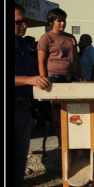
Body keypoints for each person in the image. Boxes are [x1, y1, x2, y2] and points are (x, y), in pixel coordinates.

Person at [14, 3, 51, 187]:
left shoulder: (24, 46)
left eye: (25, 20)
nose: (24, 25)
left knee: (20, 158)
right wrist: (29, 80)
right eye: (19, 21)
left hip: (24, 107)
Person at [37, 8, 82, 146]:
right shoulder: (46, 38)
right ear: (51, 22)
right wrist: (43, 78)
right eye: (59, 21)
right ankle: (61, 141)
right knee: (57, 110)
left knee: (74, 108)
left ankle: (74, 140)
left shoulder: (71, 38)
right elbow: (41, 61)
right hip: (54, 77)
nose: (62, 23)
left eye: (64, 20)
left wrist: (81, 77)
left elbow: (76, 59)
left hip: (72, 76)